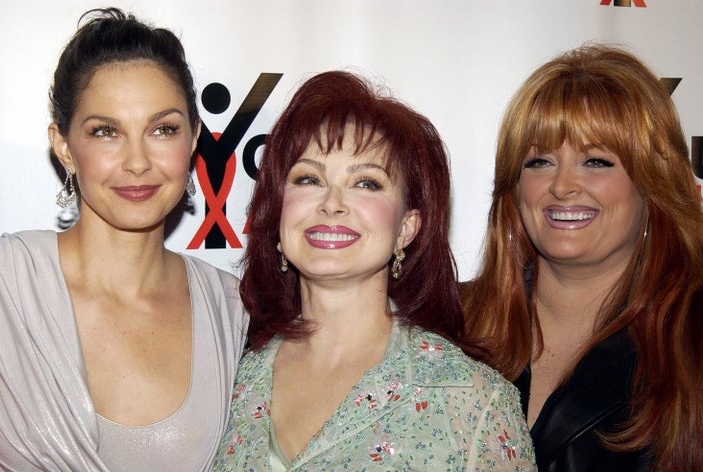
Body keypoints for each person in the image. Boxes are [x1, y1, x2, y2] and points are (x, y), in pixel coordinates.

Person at [210, 70, 536, 471]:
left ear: (406, 228)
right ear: (278, 212)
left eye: (366, 183)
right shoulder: (229, 381)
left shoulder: (472, 401)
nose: (332, 203)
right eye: (309, 178)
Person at [0, 8, 248, 471]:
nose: (138, 161)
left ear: (193, 140)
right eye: (106, 132)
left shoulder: (232, 311)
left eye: (162, 129)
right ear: (64, 147)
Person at [460, 44, 703, 471]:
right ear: (514, 189)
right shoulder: (448, 324)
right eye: (539, 161)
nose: (563, 186)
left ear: (653, 184)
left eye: (596, 161)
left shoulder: (695, 340)